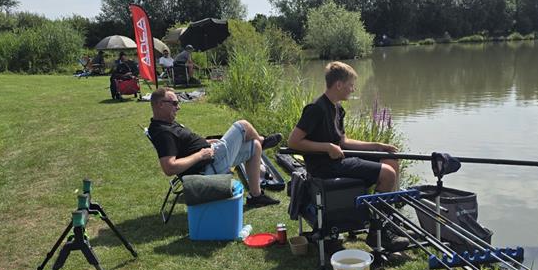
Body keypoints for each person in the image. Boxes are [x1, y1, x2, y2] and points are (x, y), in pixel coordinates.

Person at [287, 61, 408, 250]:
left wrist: (377, 146)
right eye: (351, 85)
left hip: (338, 160)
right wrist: (327, 147)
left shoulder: (337, 108)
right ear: (339, 85)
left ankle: (387, 221)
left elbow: (343, 142)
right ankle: (377, 232)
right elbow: (293, 142)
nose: (353, 89)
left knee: (390, 159)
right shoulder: (316, 109)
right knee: (388, 174)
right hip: (325, 166)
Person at [148, 87, 282, 207]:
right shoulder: (163, 132)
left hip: (212, 157)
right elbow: (169, 168)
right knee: (243, 125)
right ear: (160, 104)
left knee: (254, 146)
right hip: (209, 166)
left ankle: (256, 196)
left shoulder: (166, 124)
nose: (178, 107)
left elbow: (185, 146)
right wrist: (200, 155)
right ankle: (263, 140)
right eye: (174, 103)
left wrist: (206, 141)